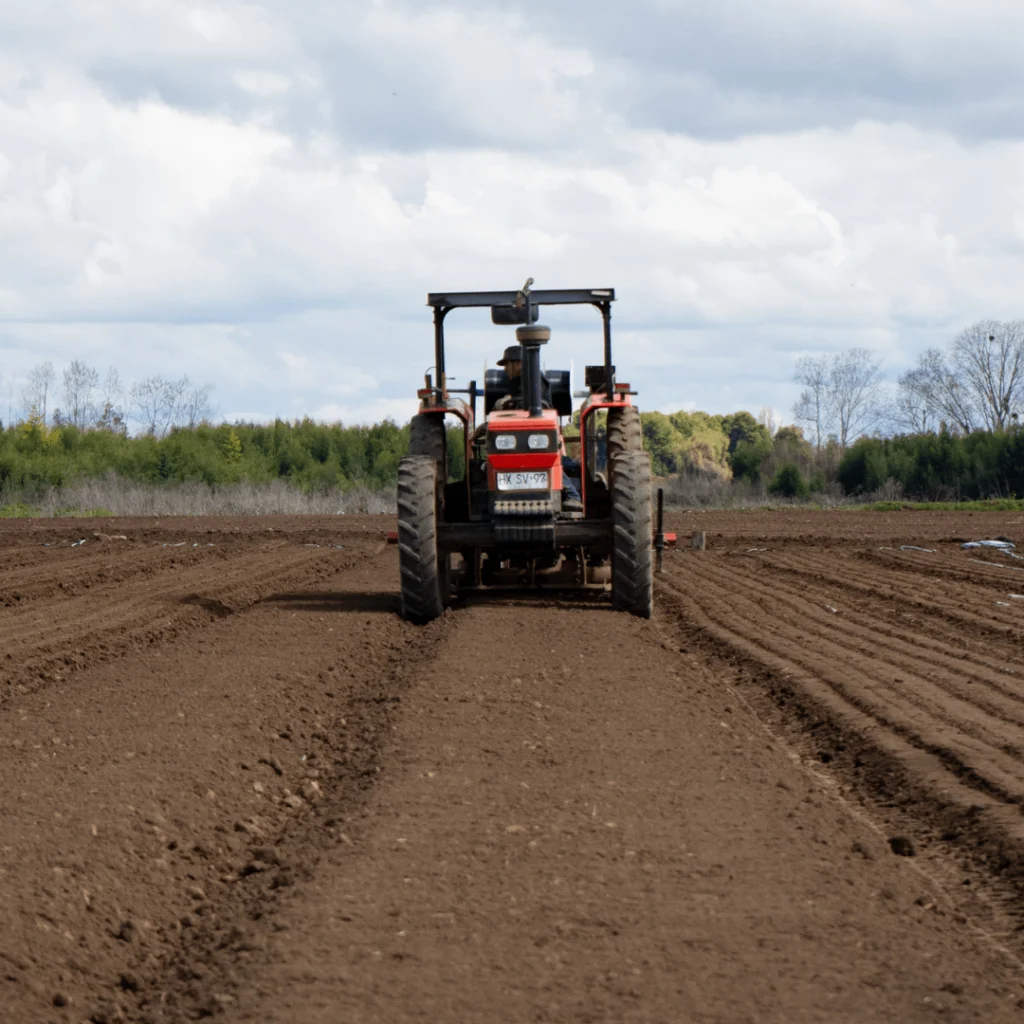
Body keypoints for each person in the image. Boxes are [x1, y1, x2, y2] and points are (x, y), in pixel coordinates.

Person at [494, 345, 583, 512]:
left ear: (519, 363)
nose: (505, 370)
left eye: (507, 364)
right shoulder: (517, 382)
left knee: (543, 462)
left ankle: (572, 495)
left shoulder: (534, 380)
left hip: (537, 434)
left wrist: (508, 402)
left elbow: (533, 405)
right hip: (520, 435)